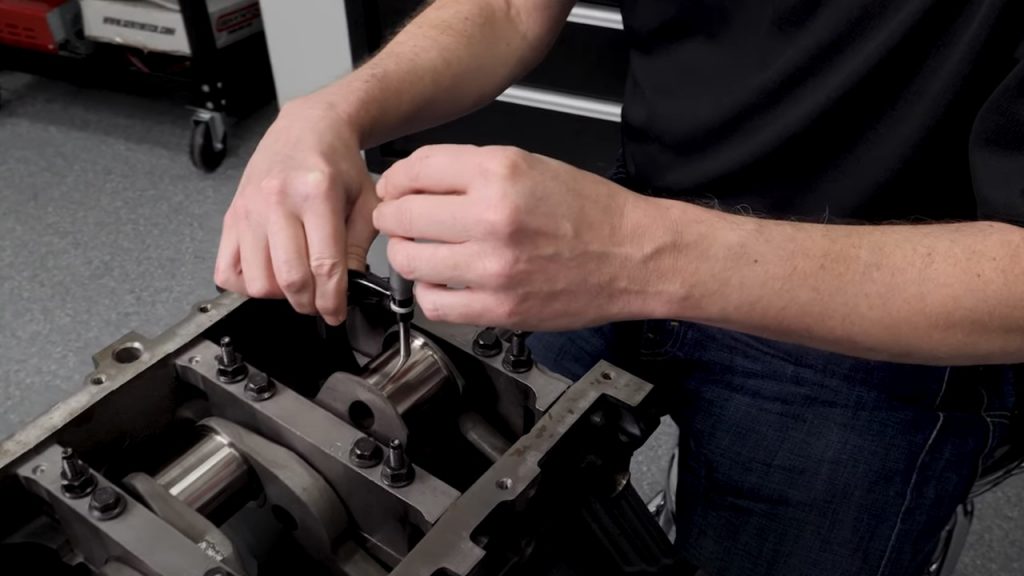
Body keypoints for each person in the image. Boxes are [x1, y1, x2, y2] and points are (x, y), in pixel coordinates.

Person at [214, 1, 1024, 574]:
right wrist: (331, 111)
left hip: (878, 318)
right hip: (633, 213)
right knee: (455, 503)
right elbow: (504, 8)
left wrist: (645, 255)